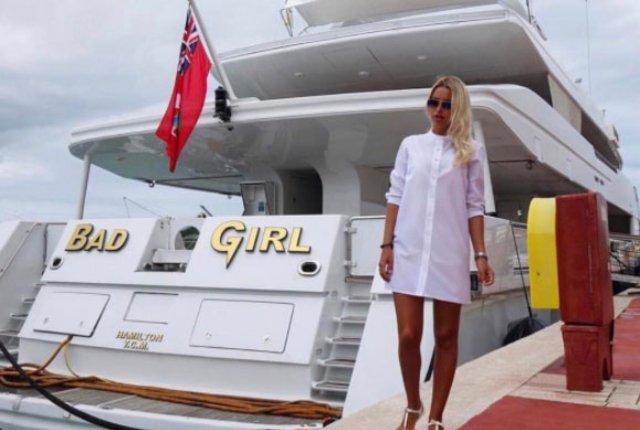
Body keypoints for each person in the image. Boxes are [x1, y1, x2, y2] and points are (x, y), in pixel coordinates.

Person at [378, 75, 495, 430]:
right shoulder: (411, 145)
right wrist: (386, 245)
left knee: (445, 336)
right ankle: (413, 405)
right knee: (408, 335)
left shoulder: (471, 151)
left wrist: (480, 254)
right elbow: (395, 196)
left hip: (449, 251)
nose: (439, 110)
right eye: (434, 102)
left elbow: (474, 205)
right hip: (408, 249)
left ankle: (436, 418)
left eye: (447, 104)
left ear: (458, 108)